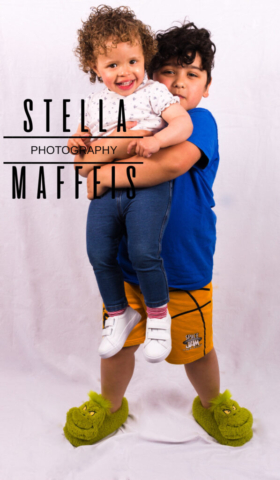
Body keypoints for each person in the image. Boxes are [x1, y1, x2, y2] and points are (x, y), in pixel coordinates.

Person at [64, 21, 253, 448]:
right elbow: (87, 159)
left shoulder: (199, 122)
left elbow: (168, 165)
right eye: (168, 72)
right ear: (152, 77)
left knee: (197, 346)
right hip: (131, 262)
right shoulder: (132, 115)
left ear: (206, 86)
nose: (180, 84)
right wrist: (90, 157)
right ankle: (110, 404)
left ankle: (211, 401)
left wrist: (101, 175)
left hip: (185, 265)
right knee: (119, 343)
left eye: (193, 75)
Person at [67, 6, 193, 363]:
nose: (125, 72)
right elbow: (87, 138)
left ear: (144, 59)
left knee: (143, 253)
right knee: (98, 253)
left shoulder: (153, 92)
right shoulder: (95, 103)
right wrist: (77, 139)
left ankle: (158, 316)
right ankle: (119, 313)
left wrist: (157, 140)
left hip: (146, 186)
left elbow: (182, 125)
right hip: (106, 193)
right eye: (112, 65)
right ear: (95, 68)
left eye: (133, 61)